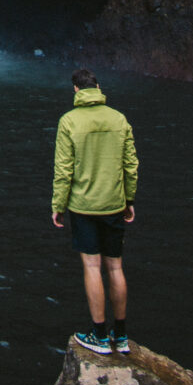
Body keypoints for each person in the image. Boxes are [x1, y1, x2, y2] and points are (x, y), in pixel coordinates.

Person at [51, 67, 138, 356]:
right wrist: (129, 199)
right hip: (114, 203)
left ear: (76, 90)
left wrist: (58, 206)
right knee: (115, 267)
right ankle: (122, 337)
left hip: (84, 206)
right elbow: (131, 165)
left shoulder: (69, 121)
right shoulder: (119, 119)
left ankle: (100, 336)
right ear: (98, 87)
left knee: (92, 267)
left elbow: (63, 170)